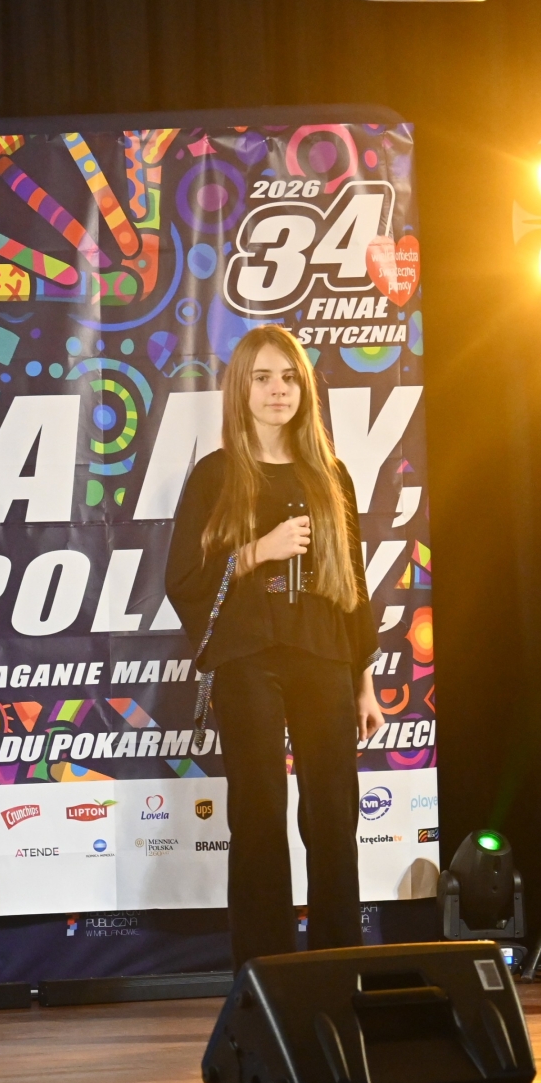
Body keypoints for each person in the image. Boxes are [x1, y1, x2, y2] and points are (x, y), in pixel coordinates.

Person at [165, 325, 384, 973]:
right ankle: (264, 972)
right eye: (262, 378)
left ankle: (337, 967)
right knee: (259, 812)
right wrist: (257, 551)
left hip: (323, 654)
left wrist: (364, 684)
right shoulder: (216, 474)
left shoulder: (330, 475)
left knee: (333, 812)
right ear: (241, 389)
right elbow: (183, 578)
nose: (277, 391)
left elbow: (353, 584)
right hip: (249, 658)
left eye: (288, 378)